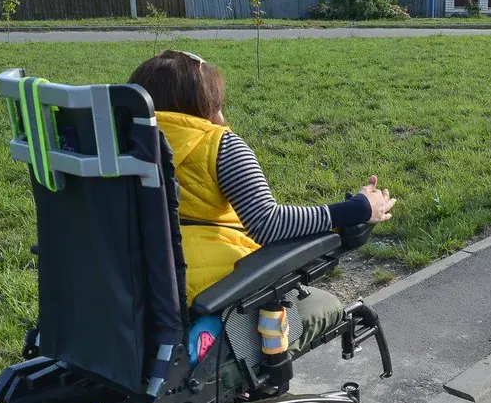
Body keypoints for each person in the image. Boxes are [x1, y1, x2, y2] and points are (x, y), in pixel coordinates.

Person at [128, 50, 396, 355]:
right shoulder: (219, 146)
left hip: (136, 288)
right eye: (216, 104)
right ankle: (216, 342)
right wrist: (359, 209)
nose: (222, 116)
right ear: (199, 105)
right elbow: (269, 224)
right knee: (320, 302)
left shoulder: (118, 146)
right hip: (206, 289)